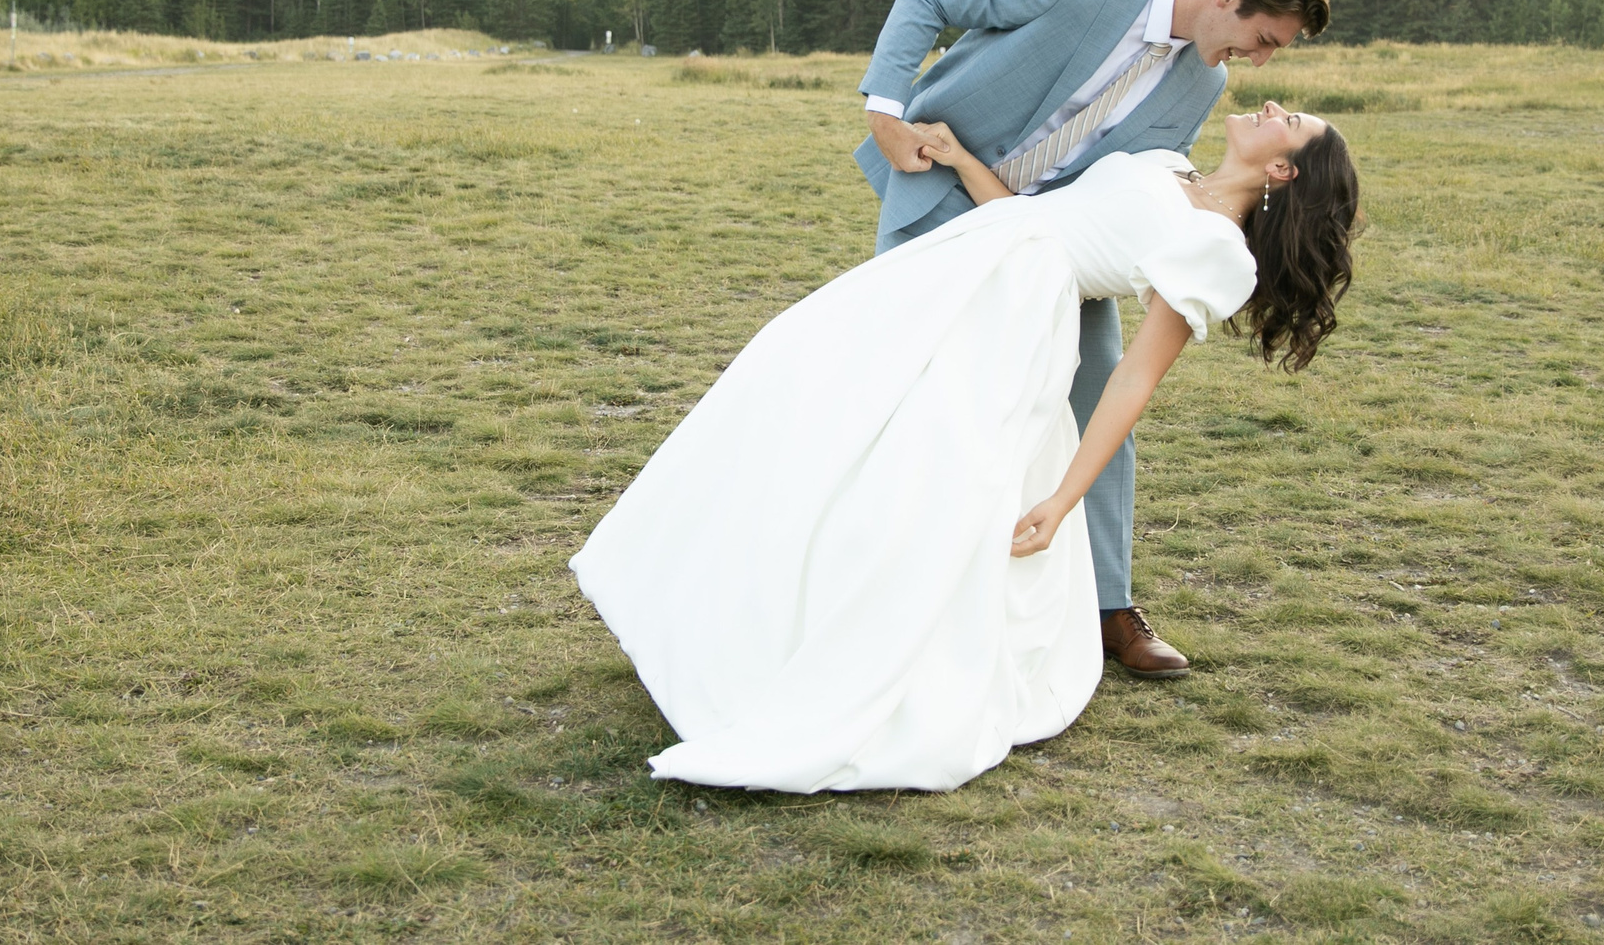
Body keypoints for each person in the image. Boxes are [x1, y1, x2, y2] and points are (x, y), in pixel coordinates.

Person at [570, 101, 1357, 792]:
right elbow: (1038, 219)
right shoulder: (1167, 163)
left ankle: (847, 663)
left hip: (1009, 325)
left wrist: (1061, 499)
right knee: (801, 382)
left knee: (922, 473)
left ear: (1284, 169)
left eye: (1288, 120)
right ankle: (739, 618)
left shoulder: (1215, 244)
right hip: (960, 265)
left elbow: (1132, 380)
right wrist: (962, 160)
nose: (1273, 103)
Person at [855, 0, 1329, 678]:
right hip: (944, 188)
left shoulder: (1202, 86)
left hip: (1060, 251)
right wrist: (886, 112)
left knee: (1101, 383)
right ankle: (880, 570)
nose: (1261, 61)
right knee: (903, 387)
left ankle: (1109, 603)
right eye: (1263, 39)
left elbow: (1135, 200)